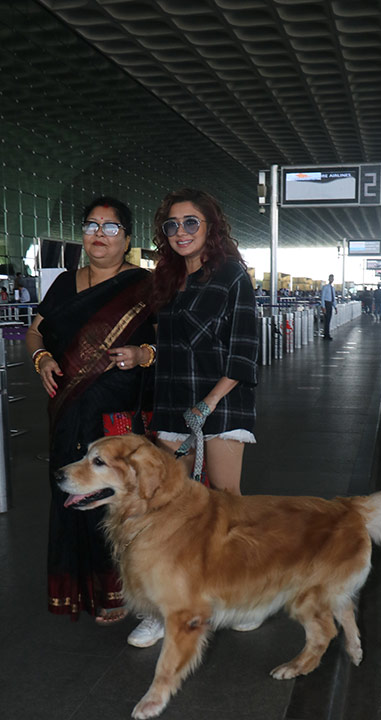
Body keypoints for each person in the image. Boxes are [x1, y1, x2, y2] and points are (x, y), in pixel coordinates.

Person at [127, 187, 258, 649]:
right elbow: (168, 346)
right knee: (160, 504)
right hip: (171, 403)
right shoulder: (165, 279)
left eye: (190, 223)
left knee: (227, 504)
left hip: (219, 405)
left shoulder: (232, 277)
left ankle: (243, 598)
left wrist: (208, 405)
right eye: (172, 225)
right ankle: (161, 610)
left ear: (210, 227)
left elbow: (244, 353)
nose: (180, 232)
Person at [25, 196, 155, 624]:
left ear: (127, 238)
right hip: (66, 406)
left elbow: (169, 343)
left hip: (116, 405)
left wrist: (142, 353)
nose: (99, 234)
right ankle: (78, 589)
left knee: (116, 497)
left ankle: (121, 591)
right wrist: (41, 357)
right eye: (92, 225)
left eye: (110, 227)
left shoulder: (146, 285)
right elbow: (35, 331)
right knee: (70, 490)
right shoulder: (65, 282)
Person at [320, 274, 337, 339]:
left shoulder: (332, 288)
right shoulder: (325, 287)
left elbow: (333, 298)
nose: (331, 279)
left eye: (332, 278)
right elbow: (323, 297)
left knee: (329, 320)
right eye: (330, 278)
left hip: (330, 304)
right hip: (326, 304)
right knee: (326, 320)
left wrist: (335, 307)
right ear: (328, 279)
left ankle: (327, 333)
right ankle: (326, 335)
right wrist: (323, 307)